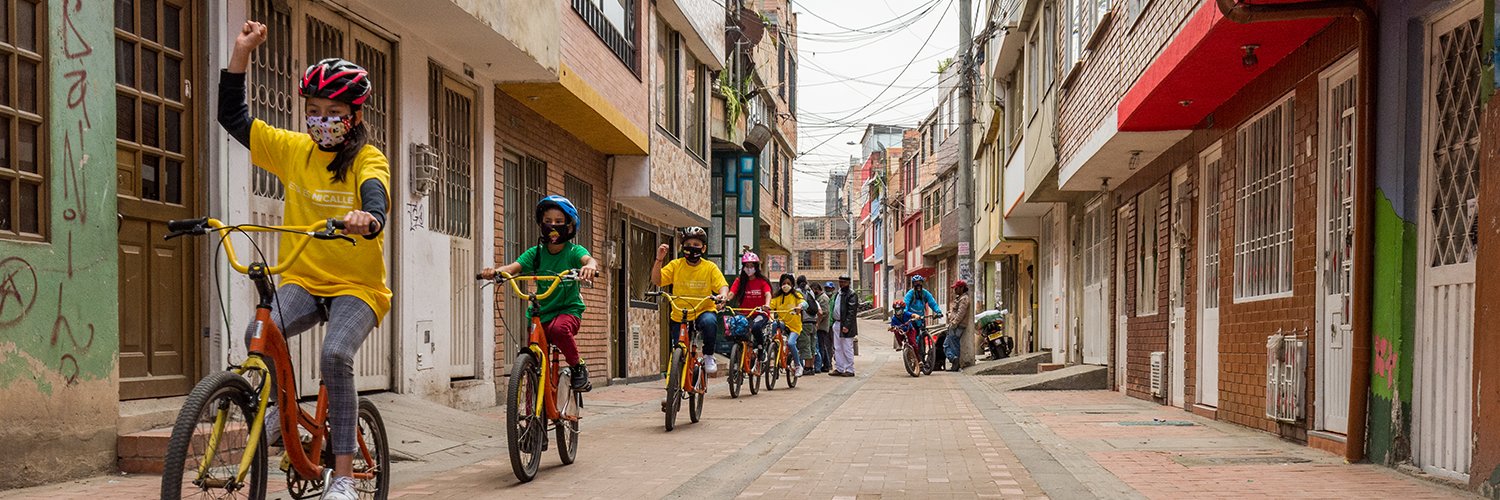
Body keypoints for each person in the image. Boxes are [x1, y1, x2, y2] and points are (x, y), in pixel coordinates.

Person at [220, 20, 389, 500]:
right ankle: (278, 413)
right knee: (261, 333)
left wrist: (368, 219)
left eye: (332, 111)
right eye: (312, 111)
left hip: (358, 289)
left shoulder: (367, 159)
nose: (320, 120)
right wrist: (241, 55)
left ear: (353, 116)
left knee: (335, 353)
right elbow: (233, 117)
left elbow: (377, 199)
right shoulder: (294, 151)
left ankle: (342, 477)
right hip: (303, 277)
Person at [479, 196, 601, 391]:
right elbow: (512, 268)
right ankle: (531, 411)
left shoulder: (573, 251)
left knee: (559, 329)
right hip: (542, 311)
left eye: (559, 222)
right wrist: (495, 272)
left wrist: (590, 267)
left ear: (569, 226)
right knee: (535, 363)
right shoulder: (535, 253)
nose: (553, 226)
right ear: (541, 224)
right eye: (548, 221)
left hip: (568, 310)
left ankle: (578, 367)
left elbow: (589, 260)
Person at [651, 227, 730, 383]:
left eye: (696, 244)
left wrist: (723, 295)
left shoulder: (710, 267)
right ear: (683, 246)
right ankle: (674, 389)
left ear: (703, 248)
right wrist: (659, 259)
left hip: (703, 310)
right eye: (688, 243)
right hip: (680, 313)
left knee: (710, 322)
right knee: (678, 351)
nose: (692, 247)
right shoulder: (676, 265)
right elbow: (657, 280)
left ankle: (708, 356)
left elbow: (722, 285)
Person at [727, 249, 773, 348]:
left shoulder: (762, 281)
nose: (749, 268)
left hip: (760, 313)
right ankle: (739, 351)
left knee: (756, 327)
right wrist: (724, 301)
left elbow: (768, 294)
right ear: (743, 267)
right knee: (735, 327)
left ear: (756, 267)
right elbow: (731, 293)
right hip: (744, 314)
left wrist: (767, 304)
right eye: (747, 266)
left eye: (751, 266)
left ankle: (761, 348)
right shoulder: (739, 281)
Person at [768, 274, 809, 376]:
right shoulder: (777, 297)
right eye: (783, 283)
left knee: (791, 343)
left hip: (794, 327)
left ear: (792, 285)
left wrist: (799, 306)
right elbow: (770, 306)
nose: (786, 286)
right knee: (773, 328)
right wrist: (766, 308)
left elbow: (804, 303)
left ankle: (798, 365)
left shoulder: (796, 295)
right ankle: (771, 354)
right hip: (782, 324)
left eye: (788, 284)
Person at [903, 275, 945, 369]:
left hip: (921, 319)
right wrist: (906, 313)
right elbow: (905, 304)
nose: (918, 285)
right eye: (916, 283)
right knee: (914, 338)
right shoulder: (910, 294)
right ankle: (913, 354)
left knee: (922, 338)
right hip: (912, 319)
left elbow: (932, 303)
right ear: (913, 284)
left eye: (920, 283)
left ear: (922, 283)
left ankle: (922, 358)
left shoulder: (925, 293)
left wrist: (938, 312)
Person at [831, 275, 862, 377]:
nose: (841, 284)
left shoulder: (851, 294)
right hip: (837, 323)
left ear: (848, 283)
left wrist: (847, 325)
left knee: (847, 347)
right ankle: (839, 368)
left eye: (844, 282)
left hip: (846, 325)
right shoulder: (838, 294)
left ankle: (850, 369)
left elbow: (851, 312)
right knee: (837, 347)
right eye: (840, 282)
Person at [945, 280, 973, 372]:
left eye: (956, 288)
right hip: (954, 324)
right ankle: (954, 359)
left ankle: (955, 361)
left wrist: (954, 323)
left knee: (953, 345)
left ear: (961, 288)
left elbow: (961, 313)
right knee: (946, 344)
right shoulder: (960, 298)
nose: (955, 290)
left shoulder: (964, 299)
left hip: (957, 325)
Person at [815, 282, 835, 373]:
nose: (828, 290)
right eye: (827, 288)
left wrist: (817, 322)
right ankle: (827, 364)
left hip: (827, 325)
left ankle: (825, 364)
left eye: (830, 289)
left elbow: (825, 312)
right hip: (827, 324)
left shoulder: (825, 298)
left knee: (825, 345)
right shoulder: (822, 298)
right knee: (825, 345)